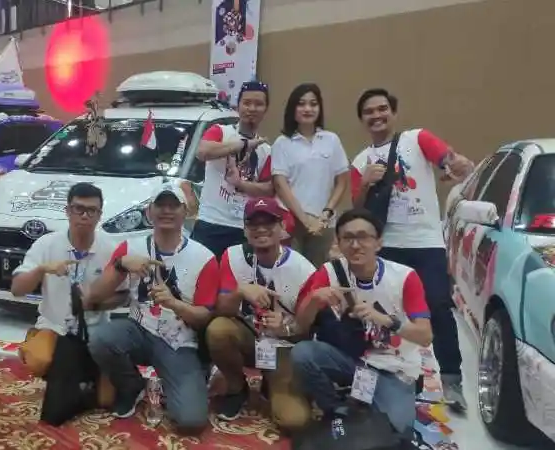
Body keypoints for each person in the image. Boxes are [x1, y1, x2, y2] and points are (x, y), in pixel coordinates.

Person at [350, 88, 473, 410]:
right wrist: (365, 182)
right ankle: (396, 372)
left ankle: (451, 378)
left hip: (425, 242)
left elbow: (447, 159)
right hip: (386, 245)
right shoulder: (360, 161)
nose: (376, 115)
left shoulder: (416, 139)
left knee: (438, 308)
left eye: (382, 109)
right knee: (387, 311)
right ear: (362, 119)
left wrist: (456, 164)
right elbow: (356, 210)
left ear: (393, 112)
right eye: (369, 112)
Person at [85, 182, 218, 433]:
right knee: (101, 338)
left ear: (186, 211)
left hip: (178, 341)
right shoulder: (130, 248)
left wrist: (175, 304)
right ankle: (131, 385)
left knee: (191, 420)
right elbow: (96, 294)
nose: (166, 211)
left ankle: (192, 375)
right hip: (138, 329)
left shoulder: (204, 257)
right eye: (160, 205)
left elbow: (204, 318)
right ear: (149, 212)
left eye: (173, 205)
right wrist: (121, 265)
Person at [292, 208, 433, 442]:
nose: (355, 245)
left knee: (398, 430)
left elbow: (425, 336)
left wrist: (385, 320)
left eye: (363, 237)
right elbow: (300, 326)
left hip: (392, 367)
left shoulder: (404, 277)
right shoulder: (330, 272)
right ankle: (336, 408)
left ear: (379, 243)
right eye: (348, 238)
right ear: (338, 242)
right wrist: (314, 300)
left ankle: (365, 402)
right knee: (303, 353)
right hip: (352, 359)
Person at [205, 197, 314, 429]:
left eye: (269, 222)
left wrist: (286, 327)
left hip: (283, 346)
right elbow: (220, 310)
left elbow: (309, 330)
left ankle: (272, 382)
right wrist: (240, 292)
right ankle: (236, 387)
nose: (261, 228)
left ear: (282, 227)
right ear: (245, 230)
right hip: (248, 335)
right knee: (218, 330)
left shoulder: (304, 270)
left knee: (294, 421)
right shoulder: (233, 256)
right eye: (253, 223)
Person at [10, 182, 122, 407]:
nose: (84, 215)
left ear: (100, 215)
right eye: (78, 208)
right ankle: (63, 368)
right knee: (40, 360)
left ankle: (88, 374)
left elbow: (124, 297)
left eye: (91, 210)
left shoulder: (110, 249)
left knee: (107, 402)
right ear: (67, 211)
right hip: (55, 327)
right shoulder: (46, 244)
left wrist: (94, 304)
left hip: (96, 330)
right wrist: (41, 270)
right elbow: (17, 289)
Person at [192, 81, 274, 259]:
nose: (252, 108)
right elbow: (202, 152)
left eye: (258, 104)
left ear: (266, 109)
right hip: (210, 222)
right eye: (247, 103)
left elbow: (269, 189)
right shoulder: (220, 132)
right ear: (238, 106)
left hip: (244, 228)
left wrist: (240, 184)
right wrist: (244, 145)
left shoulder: (266, 150)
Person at [272, 83, 349, 266]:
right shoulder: (282, 143)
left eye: (313, 104)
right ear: (293, 109)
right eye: (301, 104)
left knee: (318, 273)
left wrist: (326, 214)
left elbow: (342, 181)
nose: (308, 109)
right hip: (290, 222)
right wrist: (306, 221)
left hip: (323, 224)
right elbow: (280, 185)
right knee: (290, 271)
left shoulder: (331, 140)